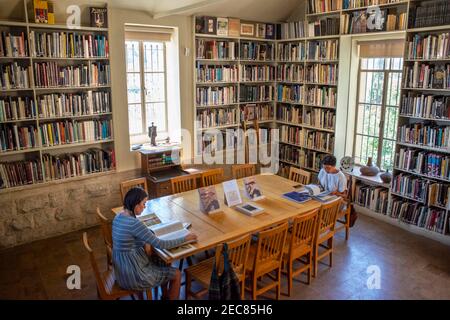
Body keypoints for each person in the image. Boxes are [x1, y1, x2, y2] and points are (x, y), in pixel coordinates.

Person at [112, 187, 197, 300]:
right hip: (134, 276)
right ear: (136, 205)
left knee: (161, 261)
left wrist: (146, 241)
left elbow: (132, 238)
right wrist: (185, 238)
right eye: (144, 204)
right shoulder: (134, 223)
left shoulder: (118, 217)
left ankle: (166, 295)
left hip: (121, 272)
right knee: (176, 274)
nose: (144, 207)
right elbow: (161, 244)